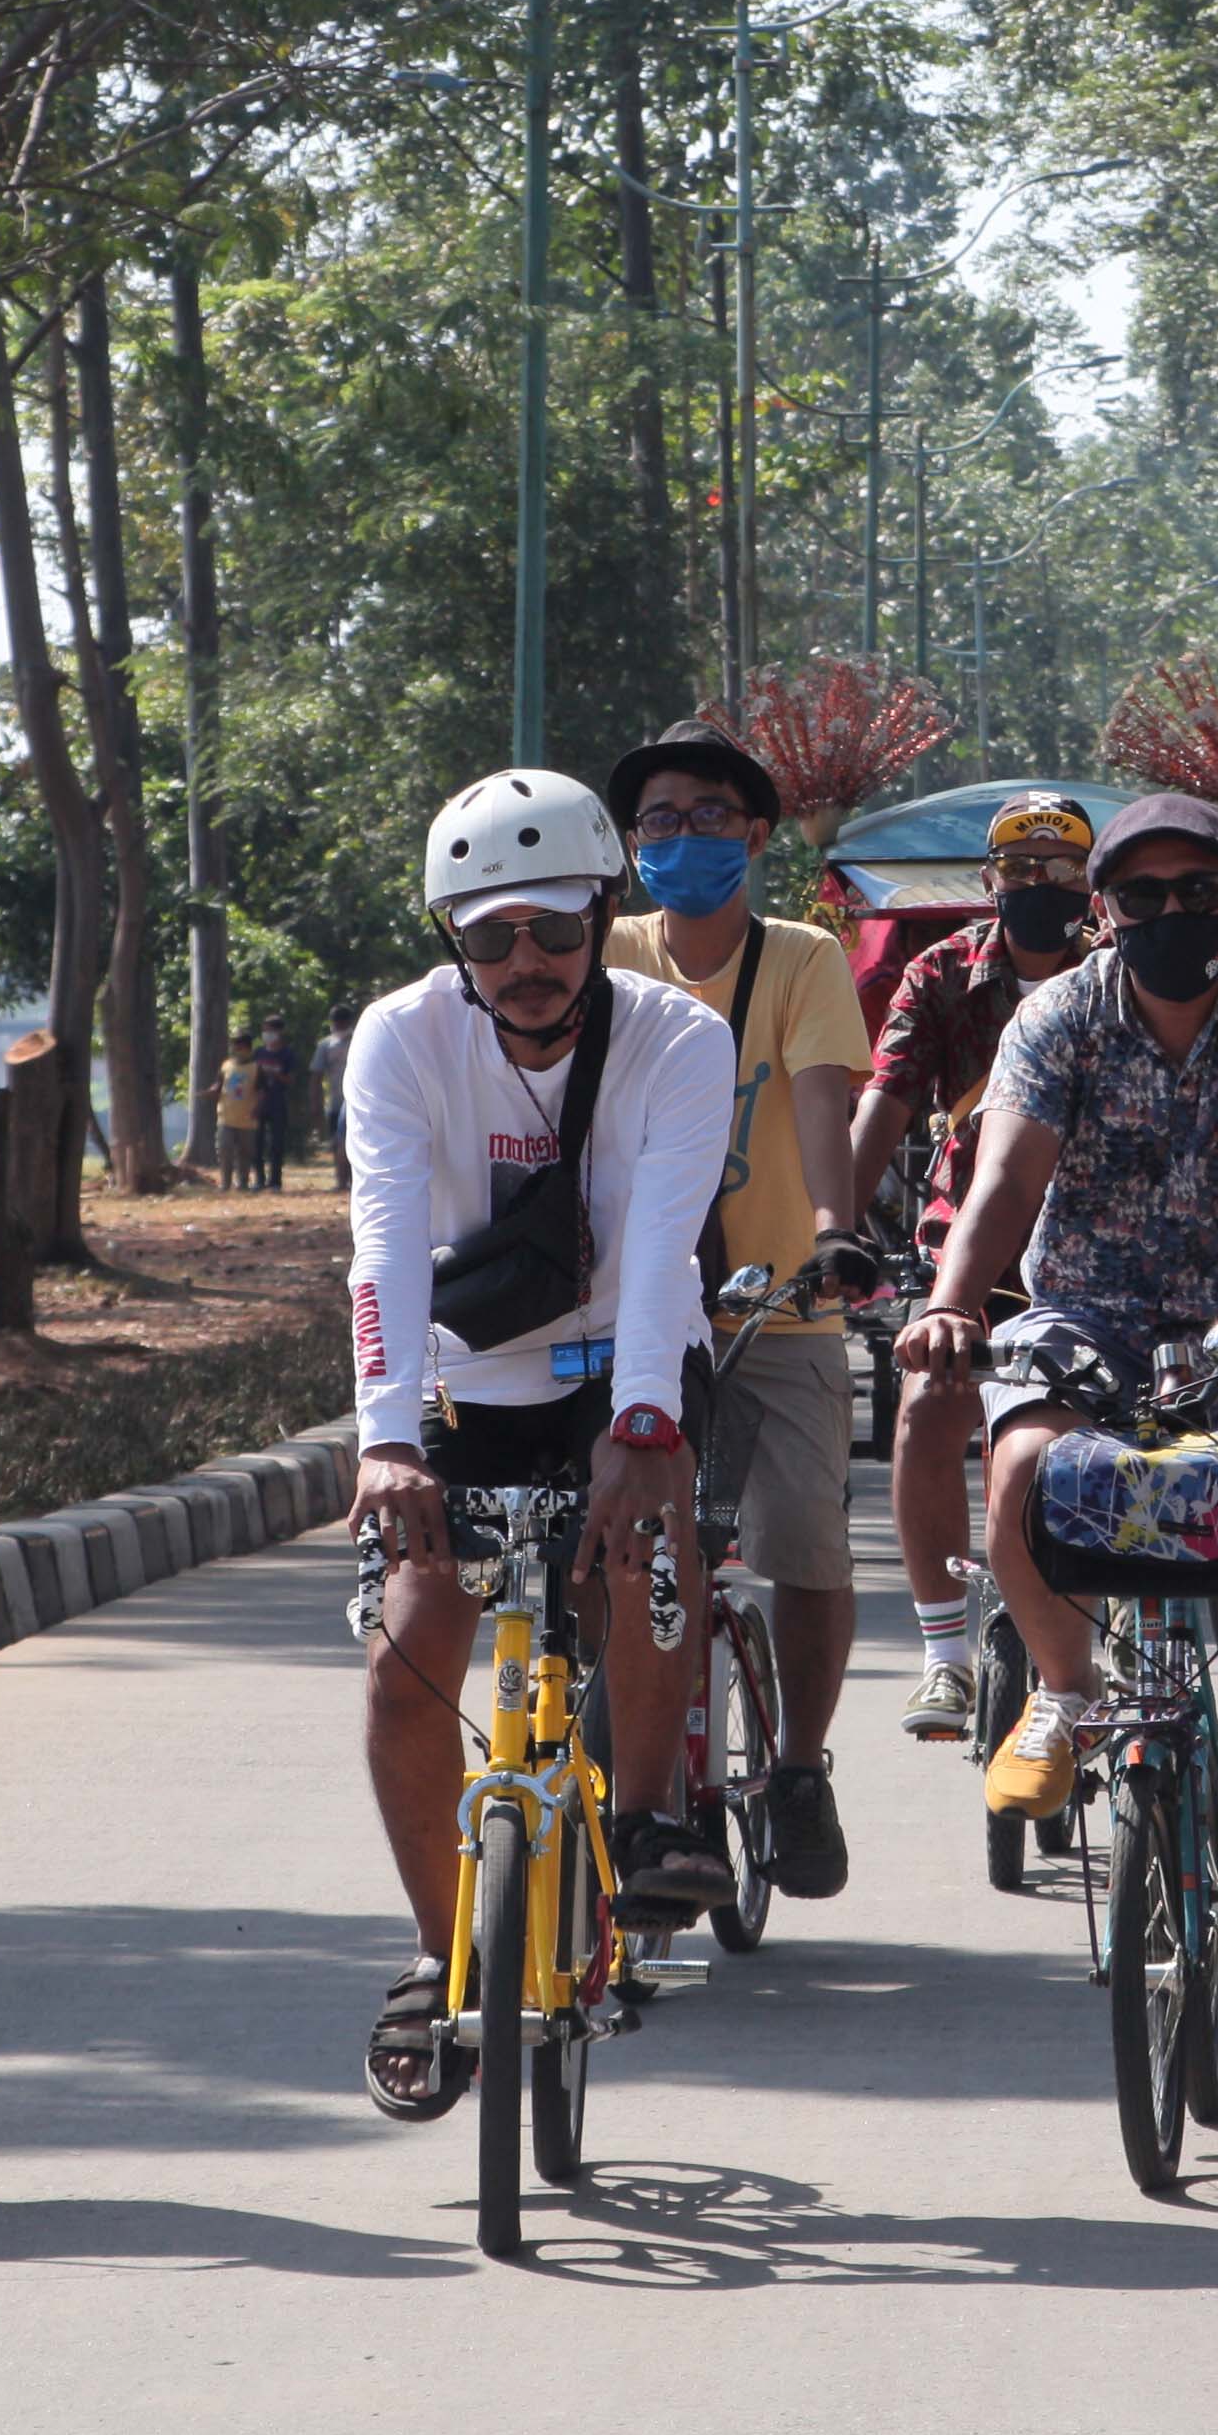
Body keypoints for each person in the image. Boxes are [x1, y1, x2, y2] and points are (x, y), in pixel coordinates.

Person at [897, 793, 1218, 2018]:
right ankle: (1065, 1691)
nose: (1171, 913)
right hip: (1088, 1312)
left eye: (1197, 892)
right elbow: (1005, 1177)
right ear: (1101, 910)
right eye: (1142, 895)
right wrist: (950, 1305)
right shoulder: (1058, 1011)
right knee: (1022, 1471)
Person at [347, 768, 738, 2119]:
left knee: (644, 1544)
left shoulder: (679, 1040)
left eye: (556, 931)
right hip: (468, 1370)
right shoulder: (399, 1038)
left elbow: (664, 1245)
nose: (526, 963)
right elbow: (384, 1243)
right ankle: (434, 1953)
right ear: (451, 941)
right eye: (491, 937)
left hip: (629, 1352)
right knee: (406, 1658)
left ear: (603, 915)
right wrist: (385, 1440)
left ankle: (644, 1814)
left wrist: (644, 1421)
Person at [601, 719, 880, 1896]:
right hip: (629, 1312)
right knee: (608, 1546)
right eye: (659, 820)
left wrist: (833, 1230)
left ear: (757, 835)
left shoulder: (801, 959)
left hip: (778, 1306)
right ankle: (634, 1794)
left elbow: (821, 1101)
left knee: (807, 1550)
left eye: (710, 816)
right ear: (629, 843)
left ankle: (800, 1763)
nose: (684, 837)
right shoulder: (602, 949)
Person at [852, 790, 1099, 1739]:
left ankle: (1110, 1633)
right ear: (990, 879)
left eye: (1061, 868)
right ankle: (944, 1651)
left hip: (1091, 1244)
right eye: (1021, 868)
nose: (1041, 883)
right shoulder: (943, 971)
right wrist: (833, 1227)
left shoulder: (1118, 969)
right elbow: (888, 1098)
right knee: (926, 1408)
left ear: (1090, 882)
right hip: (968, 1242)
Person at [251, 1019, 296, 1193]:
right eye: (265, 1031)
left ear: (279, 1032)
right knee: (257, 1143)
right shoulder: (258, 1053)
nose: (267, 1035)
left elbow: (290, 1079)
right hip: (259, 1103)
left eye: (270, 1031)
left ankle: (275, 1181)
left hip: (278, 1102)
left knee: (276, 1144)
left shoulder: (287, 1054)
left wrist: (275, 1074)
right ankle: (259, 1180)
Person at [309, 1014, 351, 1191]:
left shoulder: (358, 1041)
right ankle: (341, 1181)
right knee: (337, 1142)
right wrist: (315, 1101)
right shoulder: (326, 1045)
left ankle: (353, 1181)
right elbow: (316, 1075)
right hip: (335, 1102)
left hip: (356, 1102)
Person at [215, 1045, 260, 1191]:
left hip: (247, 1119)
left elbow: (262, 1091)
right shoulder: (226, 1066)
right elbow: (218, 1085)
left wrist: (257, 1108)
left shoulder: (256, 1068)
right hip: (226, 1117)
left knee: (245, 1153)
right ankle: (225, 1183)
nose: (238, 1051)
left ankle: (243, 1183)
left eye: (241, 1047)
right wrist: (210, 1092)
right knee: (225, 1149)